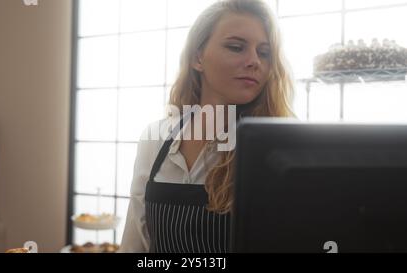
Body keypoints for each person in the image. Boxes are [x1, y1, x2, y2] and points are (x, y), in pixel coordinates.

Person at [119, 0, 294, 253]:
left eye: (264, 53)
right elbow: (134, 245)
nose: (254, 61)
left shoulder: (276, 149)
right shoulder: (155, 139)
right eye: (236, 47)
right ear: (197, 58)